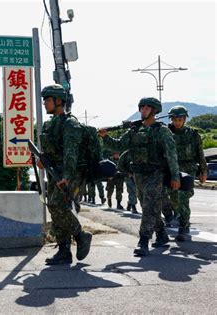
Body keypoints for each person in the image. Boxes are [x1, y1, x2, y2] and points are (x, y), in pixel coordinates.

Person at [99, 97, 180, 256]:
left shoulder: (162, 130)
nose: (143, 110)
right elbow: (118, 146)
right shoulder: (134, 130)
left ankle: (143, 241)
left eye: (147, 108)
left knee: (149, 205)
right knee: (147, 206)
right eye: (141, 107)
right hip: (138, 174)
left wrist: (175, 176)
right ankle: (162, 234)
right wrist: (105, 137)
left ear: (154, 110)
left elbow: (171, 154)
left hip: (156, 173)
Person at [37, 84, 92, 265]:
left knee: (56, 205)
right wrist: (43, 160)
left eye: (48, 99)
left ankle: (80, 235)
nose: (45, 103)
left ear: (59, 101)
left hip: (70, 172)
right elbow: (51, 151)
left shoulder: (70, 124)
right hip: (55, 172)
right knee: (54, 209)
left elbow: (71, 153)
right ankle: (64, 250)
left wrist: (67, 176)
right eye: (44, 100)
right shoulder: (49, 124)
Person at [167, 105, 207, 241]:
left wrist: (203, 171)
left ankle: (183, 225)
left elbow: (200, 154)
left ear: (184, 119)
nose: (177, 122)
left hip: (188, 169)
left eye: (180, 119)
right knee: (173, 198)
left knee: (183, 198)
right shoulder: (166, 133)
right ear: (171, 119)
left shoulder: (193, 134)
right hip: (171, 169)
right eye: (175, 119)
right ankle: (176, 216)